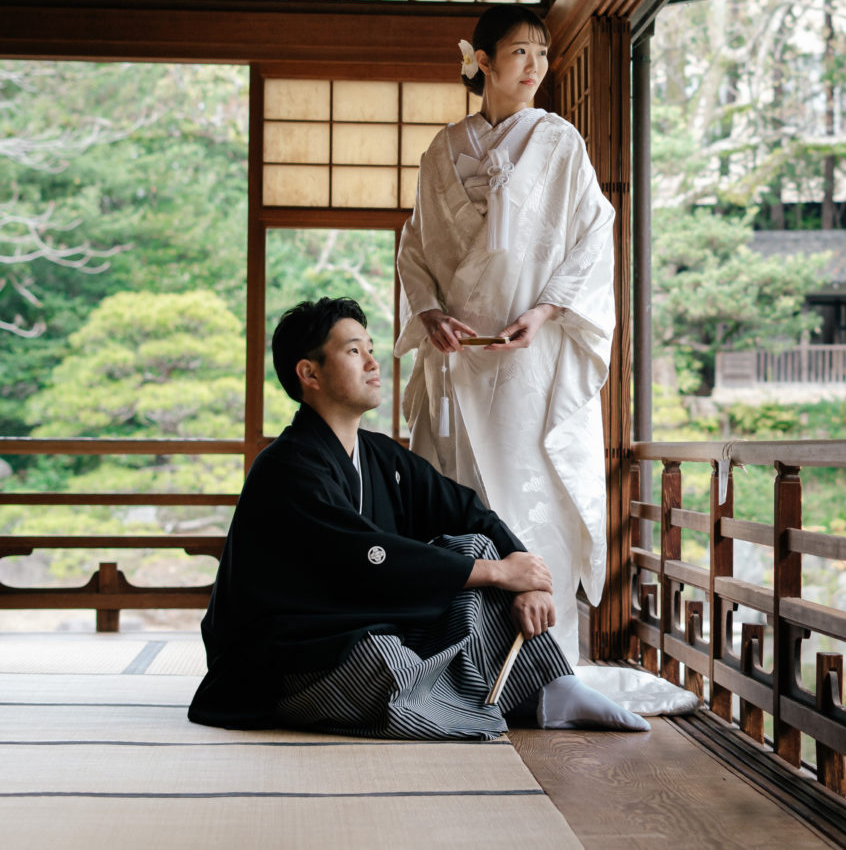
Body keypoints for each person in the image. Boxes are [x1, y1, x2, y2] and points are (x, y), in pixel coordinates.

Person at [188, 296, 644, 737]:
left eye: (370, 349)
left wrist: (523, 573)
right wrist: (496, 573)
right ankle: (500, 697)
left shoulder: (381, 457)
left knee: (477, 548)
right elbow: (361, 556)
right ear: (309, 373)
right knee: (387, 661)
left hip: (358, 628)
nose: (372, 362)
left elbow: (466, 510)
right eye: (353, 352)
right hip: (287, 657)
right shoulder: (288, 466)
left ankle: (554, 687)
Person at [394, 4, 612, 657]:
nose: (536, 66)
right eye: (521, 52)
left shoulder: (561, 143)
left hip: (530, 360)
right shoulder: (443, 149)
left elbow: (592, 237)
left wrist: (545, 310)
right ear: (481, 59)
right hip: (456, 362)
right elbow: (414, 248)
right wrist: (428, 311)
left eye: (543, 53)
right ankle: (457, 658)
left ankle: (540, 664)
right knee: (460, 492)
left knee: (532, 488)